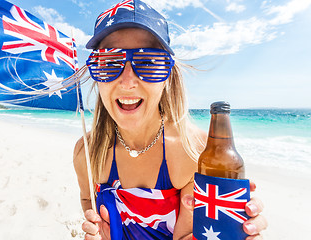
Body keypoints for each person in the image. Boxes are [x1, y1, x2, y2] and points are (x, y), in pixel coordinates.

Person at [73, 0, 267, 239]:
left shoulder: (194, 153)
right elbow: (86, 197)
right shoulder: (87, 151)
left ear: (167, 77)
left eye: (147, 63)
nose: (127, 81)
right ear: (96, 75)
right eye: (110, 63)